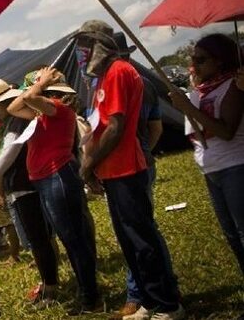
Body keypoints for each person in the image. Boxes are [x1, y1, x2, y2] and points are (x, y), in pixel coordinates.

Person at [76, 20, 183, 319]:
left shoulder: (119, 72)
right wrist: (97, 167)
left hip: (127, 168)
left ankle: (167, 305)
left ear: (98, 43)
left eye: (84, 44)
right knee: (129, 242)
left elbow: (116, 127)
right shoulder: (102, 79)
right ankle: (149, 301)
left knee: (142, 240)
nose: (79, 51)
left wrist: (88, 165)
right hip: (112, 171)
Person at [9, 68, 99, 313]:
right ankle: (87, 293)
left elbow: (26, 99)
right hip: (46, 179)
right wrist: (39, 85)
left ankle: (89, 297)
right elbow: (14, 107)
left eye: (45, 90)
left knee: (73, 239)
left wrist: (40, 83)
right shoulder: (44, 113)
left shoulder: (58, 108)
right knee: (69, 237)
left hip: (57, 176)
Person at [0, 79, 60, 306]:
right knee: (37, 239)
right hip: (19, 183)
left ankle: (50, 287)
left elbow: (7, 155)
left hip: (26, 184)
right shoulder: (10, 123)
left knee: (38, 238)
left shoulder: (17, 122)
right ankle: (48, 282)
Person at [169, 34, 244, 278]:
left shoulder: (233, 86)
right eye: (192, 60)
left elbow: (225, 131)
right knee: (231, 233)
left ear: (220, 61)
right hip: (212, 170)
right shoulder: (202, 90)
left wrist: (188, 108)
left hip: (235, 166)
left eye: (201, 60)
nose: (194, 65)